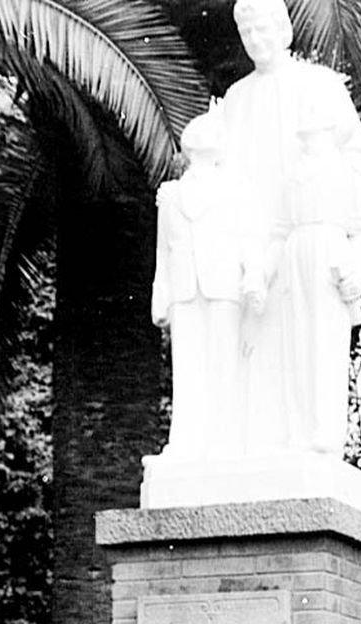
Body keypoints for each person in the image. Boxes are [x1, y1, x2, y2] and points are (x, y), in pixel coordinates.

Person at [218, 0, 361, 458]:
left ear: (284, 29)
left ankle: (316, 439)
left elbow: (356, 168)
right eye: (247, 31)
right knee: (261, 366)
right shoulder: (237, 99)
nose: (256, 39)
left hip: (317, 238)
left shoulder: (320, 85)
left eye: (264, 28)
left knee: (316, 349)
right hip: (261, 247)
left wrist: (356, 258)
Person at [150, 108, 258, 460]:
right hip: (184, 287)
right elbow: (163, 250)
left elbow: (247, 238)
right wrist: (160, 295)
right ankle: (184, 441)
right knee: (187, 366)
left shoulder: (235, 189)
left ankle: (224, 441)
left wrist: (253, 276)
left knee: (223, 364)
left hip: (223, 285)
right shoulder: (171, 196)